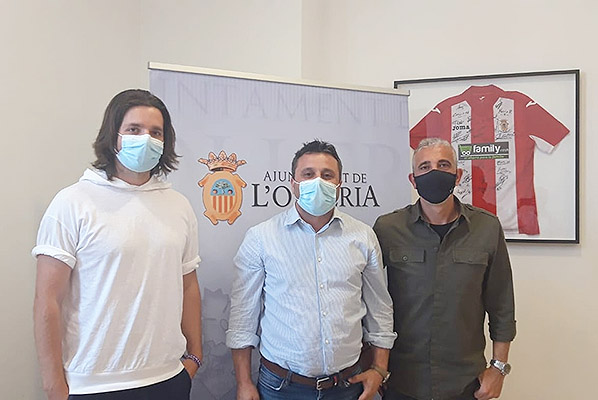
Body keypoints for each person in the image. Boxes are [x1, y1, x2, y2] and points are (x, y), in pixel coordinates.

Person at [32, 89, 203, 400]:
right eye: (134, 129)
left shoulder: (178, 205)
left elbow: (188, 284)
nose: (146, 139)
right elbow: (48, 301)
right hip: (93, 384)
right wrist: (53, 385)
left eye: (156, 132)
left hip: (168, 377)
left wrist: (194, 356)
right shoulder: (73, 202)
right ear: (113, 136)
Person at [226, 139, 396, 400]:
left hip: (347, 385)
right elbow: (242, 317)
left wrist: (379, 369)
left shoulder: (362, 236)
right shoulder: (261, 238)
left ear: (339, 184)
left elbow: (379, 308)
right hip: (280, 387)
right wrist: (243, 382)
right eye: (308, 174)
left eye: (327, 175)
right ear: (293, 183)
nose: (318, 181)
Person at [373, 138, 516, 400]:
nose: (434, 172)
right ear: (413, 180)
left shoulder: (486, 228)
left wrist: (498, 368)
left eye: (443, 165)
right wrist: (375, 367)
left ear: (457, 175)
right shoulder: (388, 229)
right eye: (424, 167)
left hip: (466, 384)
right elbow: (367, 299)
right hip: (402, 381)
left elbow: (502, 304)